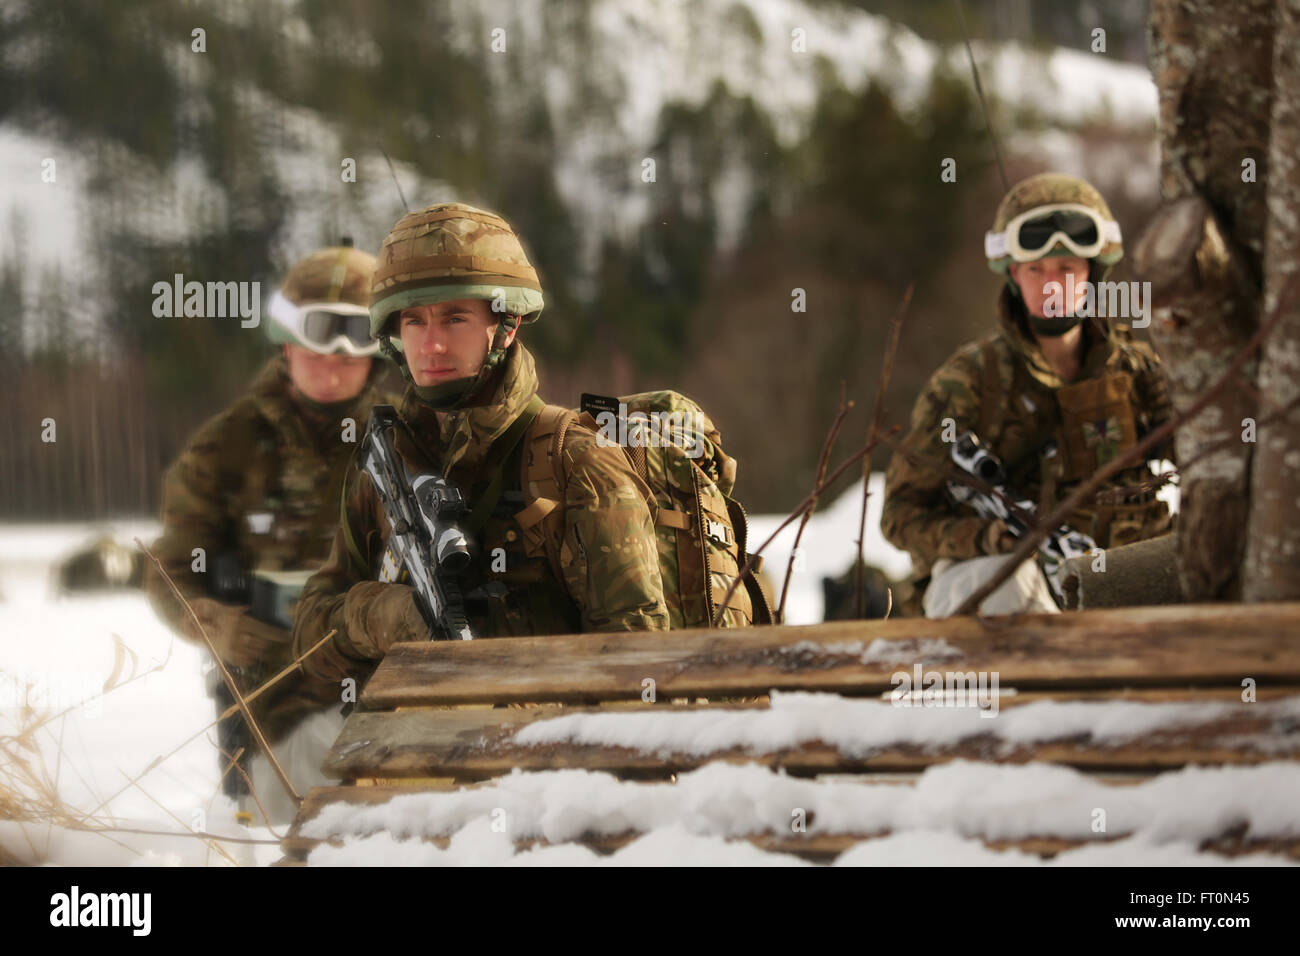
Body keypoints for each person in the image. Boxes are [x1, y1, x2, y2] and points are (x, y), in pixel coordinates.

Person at [292, 202, 669, 687]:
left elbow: (640, 667)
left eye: (454, 319)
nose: (432, 346)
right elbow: (309, 637)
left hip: (554, 755)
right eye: (414, 322)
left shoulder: (576, 460)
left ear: (506, 327)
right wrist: (385, 616)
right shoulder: (385, 464)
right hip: (400, 752)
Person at [144, 244, 396, 827]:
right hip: (267, 708)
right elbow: (170, 567)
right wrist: (210, 620)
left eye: (351, 350)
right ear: (286, 343)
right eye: (316, 345)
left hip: (384, 696)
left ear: (376, 354)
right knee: (279, 841)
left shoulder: (406, 439)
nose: (332, 366)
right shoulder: (226, 445)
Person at [881, 173, 1174, 618]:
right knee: (992, 584)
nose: (1051, 285)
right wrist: (985, 538)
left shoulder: (1137, 371)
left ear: (1093, 273)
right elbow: (900, 515)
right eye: (1036, 270)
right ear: (1014, 275)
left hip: (1129, 584)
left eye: (1067, 269)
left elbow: (1210, 457)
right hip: (1020, 590)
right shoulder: (970, 382)